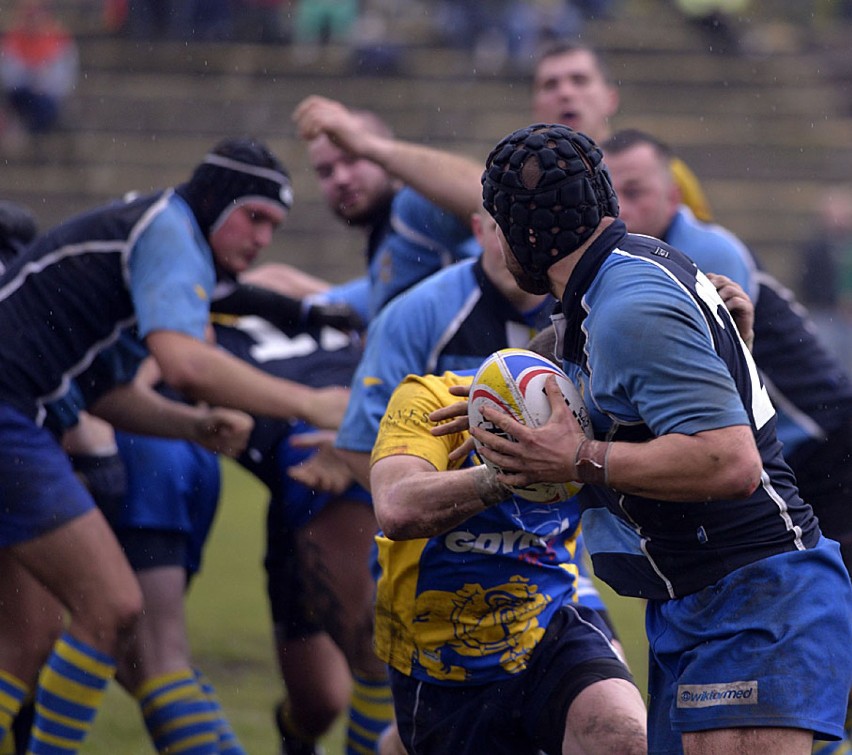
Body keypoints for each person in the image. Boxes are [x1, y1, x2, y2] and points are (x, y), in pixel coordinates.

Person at [459, 122, 852, 753]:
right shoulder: (612, 288)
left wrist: (578, 458)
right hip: (696, 604)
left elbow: (730, 463)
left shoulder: (627, 307)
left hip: (754, 600)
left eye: (497, 226)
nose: (497, 245)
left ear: (524, 233)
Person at [0, 135, 349, 753]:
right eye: (255, 217)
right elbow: (186, 363)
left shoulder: (152, 241)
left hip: (23, 417)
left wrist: (191, 427)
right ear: (215, 203)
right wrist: (308, 403)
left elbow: (104, 395)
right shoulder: (171, 230)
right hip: (10, 416)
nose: (263, 237)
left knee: (24, 641)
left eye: (275, 225)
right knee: (111, 605)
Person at [601, 128, 852, 576]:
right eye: (609, 193)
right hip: (787, 454)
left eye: (635, 192)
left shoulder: (703, 251)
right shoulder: (636, 267)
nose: (620, 208)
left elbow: (714, 391)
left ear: (674, 198)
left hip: (825, 442)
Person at [368, 358, 648, 754]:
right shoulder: (429, 395)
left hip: (551, 624)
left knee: (623, 738)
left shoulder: (604, 414)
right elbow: (398, 508)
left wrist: (729, 355)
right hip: (440, 660)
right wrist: (514, 469)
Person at [293, 95, 481, 323]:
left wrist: (368, 146)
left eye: (353, 158)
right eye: (325, 172)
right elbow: (328, 296)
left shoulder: (411, 209)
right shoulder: (384, 247)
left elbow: (486, 195)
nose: (340, 178)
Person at [530, 40, 715, 222]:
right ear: (535, 107)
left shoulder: (667, 172)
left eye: (579, 80)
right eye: (550, 85)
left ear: (611, 99)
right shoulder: (519, 181)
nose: (565, 93)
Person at [0, 0, 78, 138]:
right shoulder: (13, 39)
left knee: (44, 109)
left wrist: (41, 83)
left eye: (37, 15)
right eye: (29, 16)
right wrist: (31, 79)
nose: (33, 20)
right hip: (20, 94)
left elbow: (63, 78)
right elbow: (8, 74)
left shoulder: (59, 40)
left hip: (46, 97)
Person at [798, 186, 852, 376]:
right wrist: (835, 302)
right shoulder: (815, 247)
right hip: (825, 313)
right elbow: (808, 282)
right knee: (827, 363)